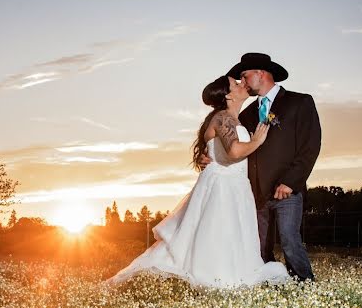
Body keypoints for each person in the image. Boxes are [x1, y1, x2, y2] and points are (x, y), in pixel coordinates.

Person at [107, 75, 289, 288]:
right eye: (236, 84)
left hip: (236, 185)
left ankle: (233, 280)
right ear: (228, 95)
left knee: (233, 237)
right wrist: (257, 141)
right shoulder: (223, 117)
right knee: (219, 233)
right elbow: (233, 151)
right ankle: (217, 281)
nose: (242, 84)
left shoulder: (232, 118)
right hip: (223, 186)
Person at [200, 53, 321, 281]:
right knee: (258, 245)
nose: (243, 82)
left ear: (261, 73)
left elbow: (310, 145)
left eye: (245, 76)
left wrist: (291, 181)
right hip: (253, 191)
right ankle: (272, 284)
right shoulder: (244, 114)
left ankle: (306, 284)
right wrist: (210, 156)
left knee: (289, 239)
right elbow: (227, 142)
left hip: (286, 188)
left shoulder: (300, 102)